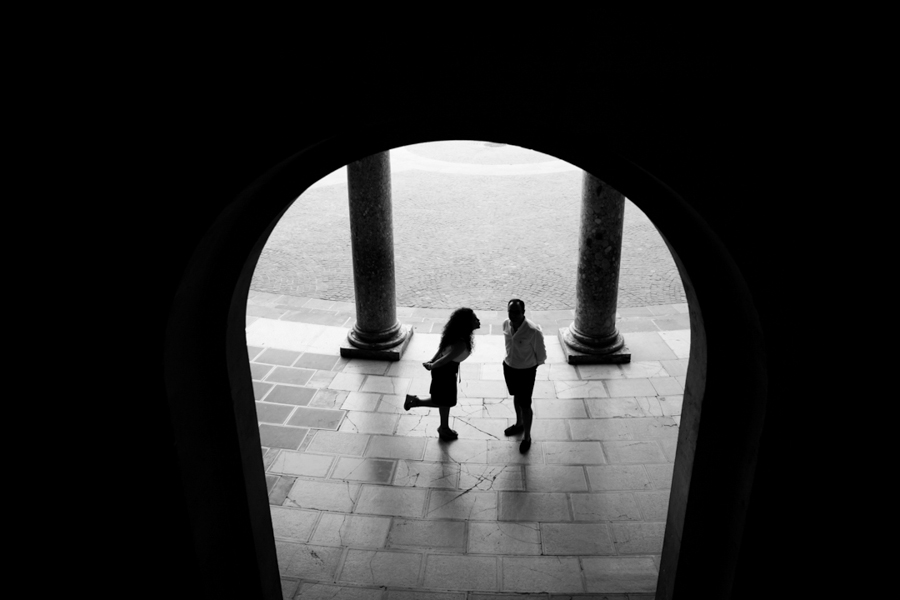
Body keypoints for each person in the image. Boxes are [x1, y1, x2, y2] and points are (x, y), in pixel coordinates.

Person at [405, 307, 481, 441]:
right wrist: (432, 365)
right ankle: (415, 403)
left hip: (445, 370)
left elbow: (441, 350)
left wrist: (432, 361)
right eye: (474, 319)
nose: (478, 320)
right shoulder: (462, 343)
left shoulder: (458, 335)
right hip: (445, 372)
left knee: (444, 401)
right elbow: (445, 359)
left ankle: (443, 427)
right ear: (467, 324)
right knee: (446, 401)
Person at [502, 298, 546, 453]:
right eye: (510, 311)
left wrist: (528, 367)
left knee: (525, 404)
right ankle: (519, 423)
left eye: (516, 312)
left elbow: (541, 355)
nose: (513, 315)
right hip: (509, 366)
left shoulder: (533, 330)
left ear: (523, 312)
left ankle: (527, 437)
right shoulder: (506, 324)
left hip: (526, 371)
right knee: (516, 396)